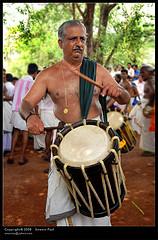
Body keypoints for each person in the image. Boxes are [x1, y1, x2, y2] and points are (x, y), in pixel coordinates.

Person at [19, 20, 130, 226]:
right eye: (72, 39)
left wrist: (120, 93)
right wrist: (30, 116)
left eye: (82, 39)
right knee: (69, 212)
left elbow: (125, 97)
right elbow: (25, 105)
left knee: (98, 204)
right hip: (66, 142)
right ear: (60, 43)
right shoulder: (48, 75)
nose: (79, 43)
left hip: (97, 142)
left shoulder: (96, 70)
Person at [7, 63, 39, 164]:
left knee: (16, 132)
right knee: (25, 133)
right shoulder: (32, 82)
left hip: (15, 110)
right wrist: (36, 113)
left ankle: (11, 155)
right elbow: (32, 99)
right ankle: (21, 158)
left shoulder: (18, 81)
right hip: (25, 111)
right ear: (35, 73)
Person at [3, 70, 15, 153]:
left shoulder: (5, 85)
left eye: (4, 74)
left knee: (5, 128)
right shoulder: (13, 86)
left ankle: (5, 148)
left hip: (6, 107)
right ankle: (8, 147)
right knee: (8, 128)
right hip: (10, 108)